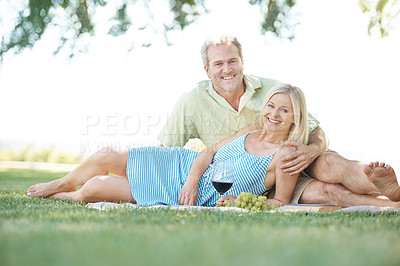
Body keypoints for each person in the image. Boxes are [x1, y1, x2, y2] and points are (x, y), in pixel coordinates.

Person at [27, 85, 400, 209]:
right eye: (271, 105)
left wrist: (240, 202)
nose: (273, 113)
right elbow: (205, 154)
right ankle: (58, 184)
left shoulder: (286, 153)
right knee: (106, 155)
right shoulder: (249, 131)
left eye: (283, 110)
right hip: (183, 168)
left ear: (294, 119)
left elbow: (280, 203)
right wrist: (191, 178)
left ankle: (67, 197)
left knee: (94, 189)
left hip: (192, 193)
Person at [157, 34, 400, 206]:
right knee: (327, 192)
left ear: (242, 62)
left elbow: (318, 131)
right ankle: (389, 206)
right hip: (255, 180)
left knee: (334, 165)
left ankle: (385, 186)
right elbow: (164, 150)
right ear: (207, 70)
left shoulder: (273, 89)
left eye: (232, 61)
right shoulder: (191, 101)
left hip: (295, 154)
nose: (227, 69)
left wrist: (310, 150)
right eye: (218, 64)